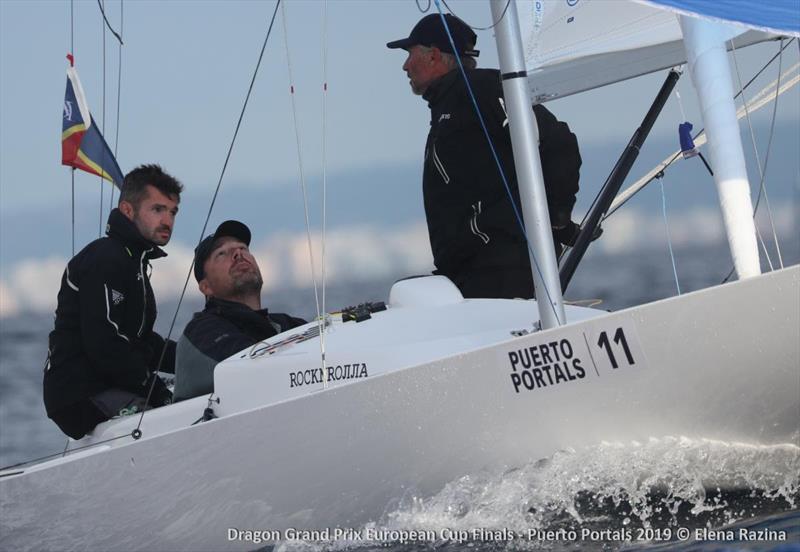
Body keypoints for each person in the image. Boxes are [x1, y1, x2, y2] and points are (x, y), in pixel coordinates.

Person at [387, 14, 582, 299]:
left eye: (411, 54)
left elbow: (558, 142)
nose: (405, 66)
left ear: (434, 56)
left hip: (503, 270)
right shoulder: (447, 107)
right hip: (468, 276)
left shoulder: (483, 90)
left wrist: (556, 216)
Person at [44, 164, 183, 439]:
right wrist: (150, 385)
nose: (167, 220)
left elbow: (141, 342)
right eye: (157, 209)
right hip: (80, 396)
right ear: (128, 211)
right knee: (171, 414)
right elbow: (104, 341)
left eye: (173, 211)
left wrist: (192, 360)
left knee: (185, 397)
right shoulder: (107, 259)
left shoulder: (133, 261)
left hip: (105, 385)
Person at [173, 220, 306, 401]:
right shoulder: (201, 332)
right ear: (206, 287)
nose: (238, 254)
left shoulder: (281, 324)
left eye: (243, 249)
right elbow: (256, 367)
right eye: (221, 254)